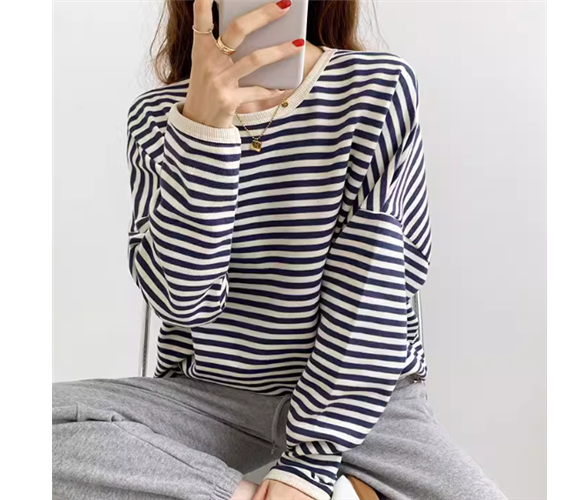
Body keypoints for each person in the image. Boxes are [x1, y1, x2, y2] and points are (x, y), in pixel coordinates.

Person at [52, 1, 508, 499]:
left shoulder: (376, 88)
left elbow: (375, 285)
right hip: (211, 399)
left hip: (368, 405)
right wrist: (204, 130)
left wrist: (308, 464)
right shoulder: (156, 117)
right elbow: (182, 302)